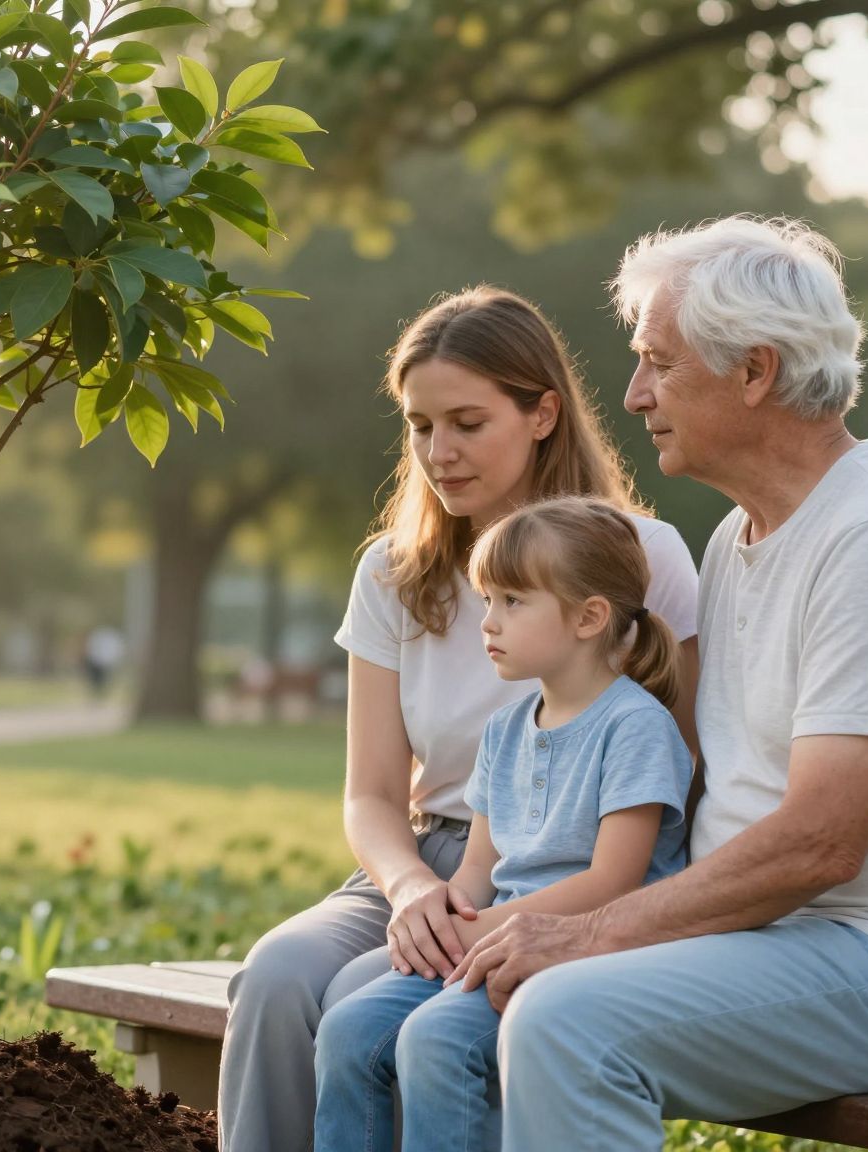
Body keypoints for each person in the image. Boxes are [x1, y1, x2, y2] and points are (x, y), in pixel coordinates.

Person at [445, 217, 868, 1149]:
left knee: (565, 1017)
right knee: (432, 1009)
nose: (634, 395)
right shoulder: (737, 536)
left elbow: (821, 844)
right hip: (765, 938)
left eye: (658, 363)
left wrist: (595, 932)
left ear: (755, 371)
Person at [218, 286, 703, 1152]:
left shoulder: (641, 556)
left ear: (543, 412)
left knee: (373, 1008)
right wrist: (411, 892)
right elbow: (370, 793)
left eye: (468, 423)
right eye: (419, 425)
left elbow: (679, 764)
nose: (439, 452)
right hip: (429, 857)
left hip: (571, 863)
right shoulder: (393, 572)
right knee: (277, 975)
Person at [312, 496, 693, 1152]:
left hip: (589, 953)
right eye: (487, 600)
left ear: (589, 617)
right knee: (348, 1031)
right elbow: (479, 871)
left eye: (512, 602)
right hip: (498, 944)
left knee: (436, 1041)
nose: (487, 623)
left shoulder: (636, 729)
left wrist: (487, 931)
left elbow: (613, 883)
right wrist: (444, 922)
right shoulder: (505, 731)